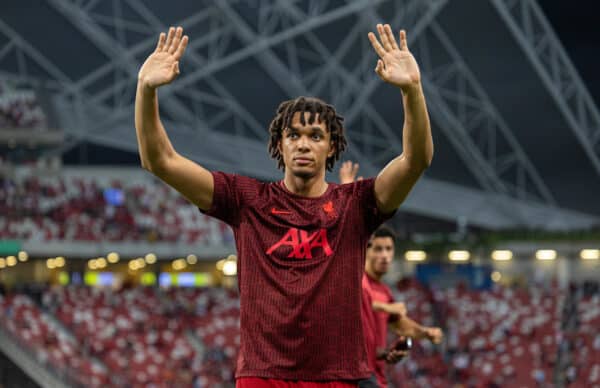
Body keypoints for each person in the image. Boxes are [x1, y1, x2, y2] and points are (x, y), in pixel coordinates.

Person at [135, 22, 432, 388]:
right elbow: (159, 160)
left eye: (315, 136)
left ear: (331, 147)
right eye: (293, 135)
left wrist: (412, 91)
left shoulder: (356, 205)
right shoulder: (246, 200)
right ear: (280, 145)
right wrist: (146, 91)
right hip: (264, 377)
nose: (303, 144)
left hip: (338, 378)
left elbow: (415, 160)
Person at [340, 159, 443, 388]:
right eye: (378, 249)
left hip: (375, 375)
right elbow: (351, 301)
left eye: (388, 249)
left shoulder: (384, 290)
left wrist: (426, 333)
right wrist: (349, 192)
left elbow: (400, 325)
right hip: (355, 378)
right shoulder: (354, 278)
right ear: (365, 249)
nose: (384, 255)